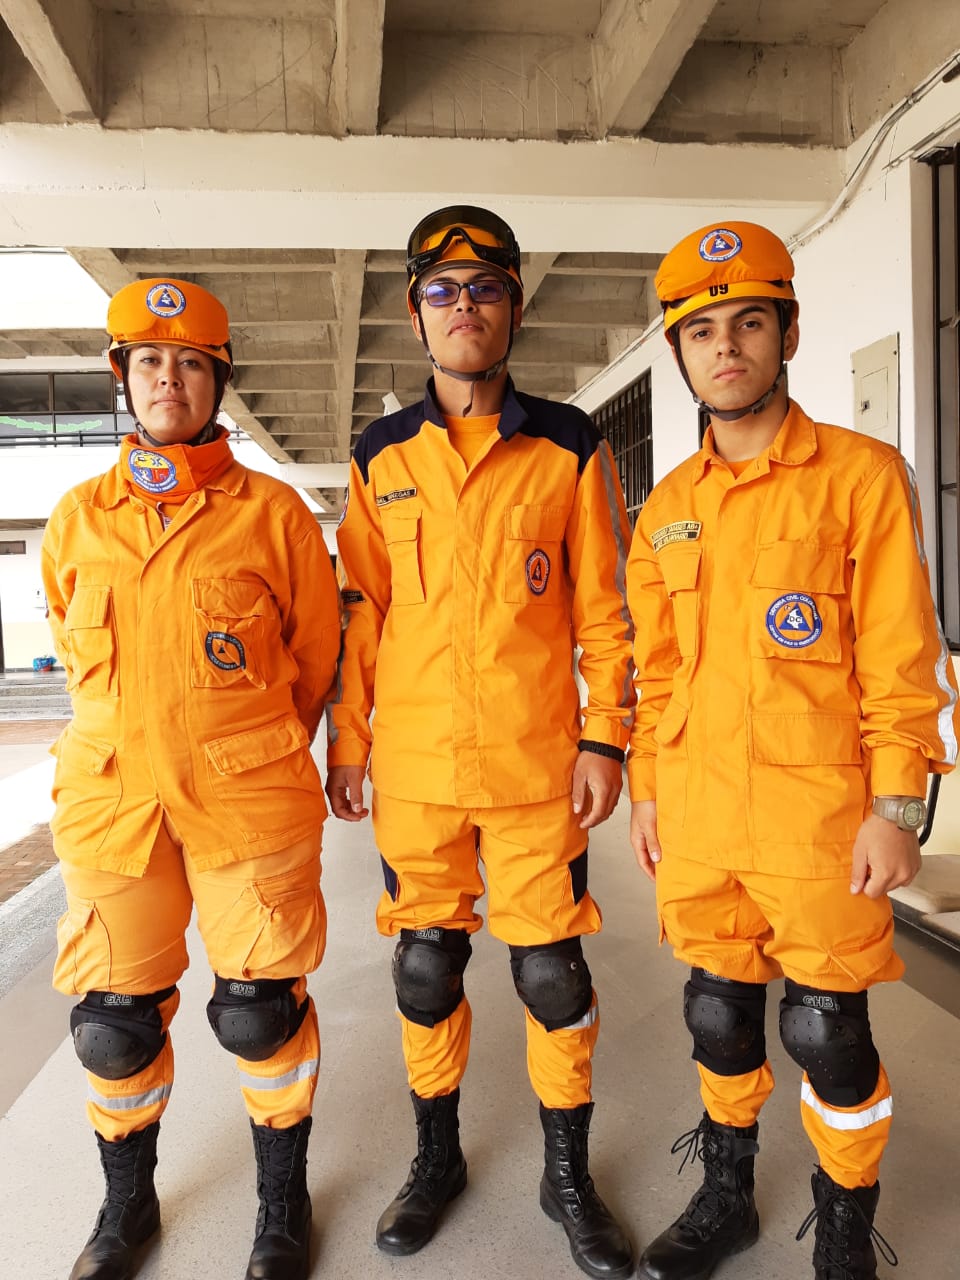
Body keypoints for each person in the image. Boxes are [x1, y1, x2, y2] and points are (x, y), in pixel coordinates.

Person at [626, 221, 959, 1280]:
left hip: (820, 820)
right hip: (700, 814)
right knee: (717, 1014)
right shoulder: (665, 511)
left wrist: (898, 808)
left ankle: (847, 1225)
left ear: (789, 334)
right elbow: (658, 673)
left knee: (828, 1033)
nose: (726, 347)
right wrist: (646, 789)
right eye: (703, 331)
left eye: (749, 324)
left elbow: (903, 658)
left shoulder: (861, 478)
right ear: (679, 352)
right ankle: (726, 1194)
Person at [325, 205, 636, 1279]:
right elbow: (362, 613)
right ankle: (436, 1156)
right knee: (425, 966)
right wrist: (348, 744)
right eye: (443, 292)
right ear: (416, 317)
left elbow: (606, 611)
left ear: (515, 309)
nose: (466, 308)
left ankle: (567, 1175)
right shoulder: (379, 455)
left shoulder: (569, 445)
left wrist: (606, 738)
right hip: (416, 769)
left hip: (535, 765)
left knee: (552, 973)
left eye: (487, 288)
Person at [41, 277, 340, 1280]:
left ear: (220, 380)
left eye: (191, 363)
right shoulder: (77, 519)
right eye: (150, 361)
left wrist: (245, 746)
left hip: (247, 803)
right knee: (111, 1028)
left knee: (261, 1011)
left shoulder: (276, 515)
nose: (169, 378)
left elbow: (314, 659)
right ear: (122, 376)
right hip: (113, 802)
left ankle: (282, 1205)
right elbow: (77, 656)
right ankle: (127, 1205)